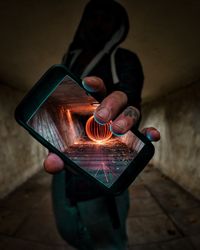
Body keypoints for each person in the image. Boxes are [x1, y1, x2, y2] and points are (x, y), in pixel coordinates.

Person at [44, 1, 160, 249]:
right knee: (69, 230)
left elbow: (130, 98)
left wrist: (126, 111)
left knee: (108, 239)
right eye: (93, 16)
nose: (98, 22)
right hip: (63, 162)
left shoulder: (124, 59)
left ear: (117, 27)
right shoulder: (69, 59)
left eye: (106, 18)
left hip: (102, 165)